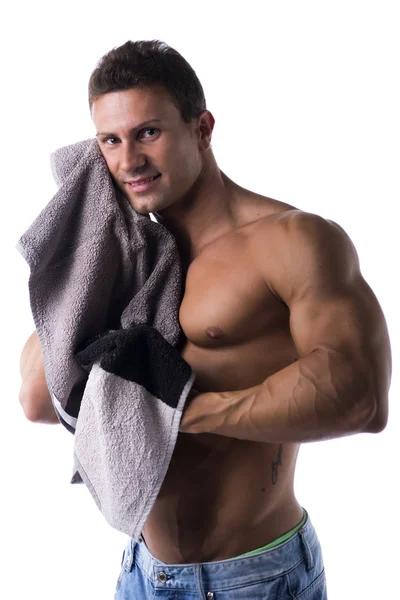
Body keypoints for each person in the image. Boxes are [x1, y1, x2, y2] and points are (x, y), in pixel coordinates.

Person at [19, 40, 391, 599]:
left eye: (148, 132)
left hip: (252, 578)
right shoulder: (125, 262)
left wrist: (183, 412)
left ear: (203, 127)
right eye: (110, 141)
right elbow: (39, 400)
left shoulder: (292, 240)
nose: (128, 162)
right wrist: (83, 263)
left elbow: (360, 398)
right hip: (141, 572)